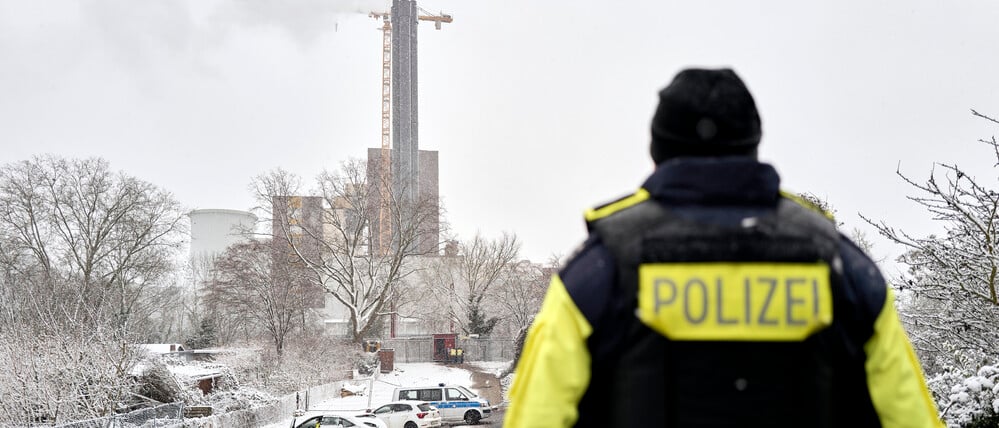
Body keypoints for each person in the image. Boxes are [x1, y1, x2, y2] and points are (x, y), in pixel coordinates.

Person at [505, 68, 943, 428]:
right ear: (752, 146)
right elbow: (909, 415)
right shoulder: (844, 268)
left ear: (657, 153)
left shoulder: (597, 272)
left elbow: (536, 415)